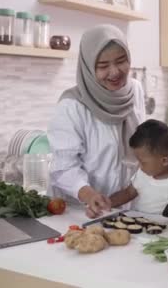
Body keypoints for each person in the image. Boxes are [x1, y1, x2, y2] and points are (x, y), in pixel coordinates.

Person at [48, 24, 145, 218]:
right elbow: (64, 167)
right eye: (102, 66)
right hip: (83, 211)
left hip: (127, 208)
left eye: (121, 61)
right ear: (88, 66)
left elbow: (142, 147)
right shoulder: (71, 106)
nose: (115, 72)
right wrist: (90, 195)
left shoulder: (135, 90)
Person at [106, 119, 168, 216]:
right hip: (137, 226)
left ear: (164, 161)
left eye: (143, 162)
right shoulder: (142, 174)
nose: (139, 165)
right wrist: (108, 202)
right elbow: (128, 193)